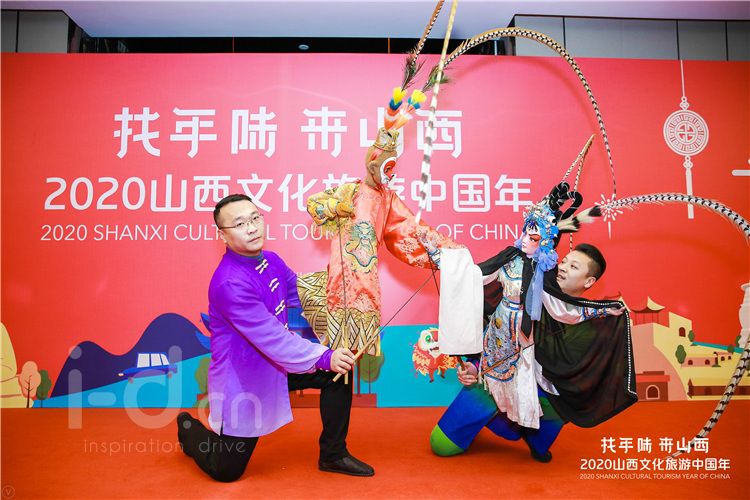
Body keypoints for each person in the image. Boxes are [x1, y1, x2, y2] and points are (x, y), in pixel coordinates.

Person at [428, 185, 637, 463]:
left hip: (539, 390)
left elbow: (573, 364)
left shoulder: (577, 317)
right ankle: (496, 419)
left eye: (574, 267)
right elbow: (478, 283)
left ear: (589, 282)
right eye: (565, 262)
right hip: (495, 372)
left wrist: (606, 311)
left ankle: (534, 433)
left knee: (555, 402)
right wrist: (474, 365)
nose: (563, 267)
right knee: (441, 444)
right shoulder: (529, 275)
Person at [177, 193, 373, 482]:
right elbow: (273, 339)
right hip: (244, 377)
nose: (252, 228)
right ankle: (187, 428)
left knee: (338, 372)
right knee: (226, 471)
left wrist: (350, 288)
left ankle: (333, 454)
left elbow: (304, 296)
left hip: (277, 365)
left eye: (255, 218)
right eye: (240, 224)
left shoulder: (271, 260)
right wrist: (324, 356)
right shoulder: (229, 283)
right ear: (223, 235)